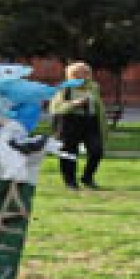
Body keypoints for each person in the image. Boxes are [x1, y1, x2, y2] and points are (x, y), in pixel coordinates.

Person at [47, 61, 107, 190]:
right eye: (81, 73)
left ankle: (87, 177)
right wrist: (74, 103)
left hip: (90, 121)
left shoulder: (93, 87)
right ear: (72, 74)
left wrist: (102, 122)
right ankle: (70, 181)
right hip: (70, 121)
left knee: (96, 151)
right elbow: (55, 107)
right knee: (69, 152)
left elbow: (98, 106)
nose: (85, 75)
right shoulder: (65, 88)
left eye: (87, 72)